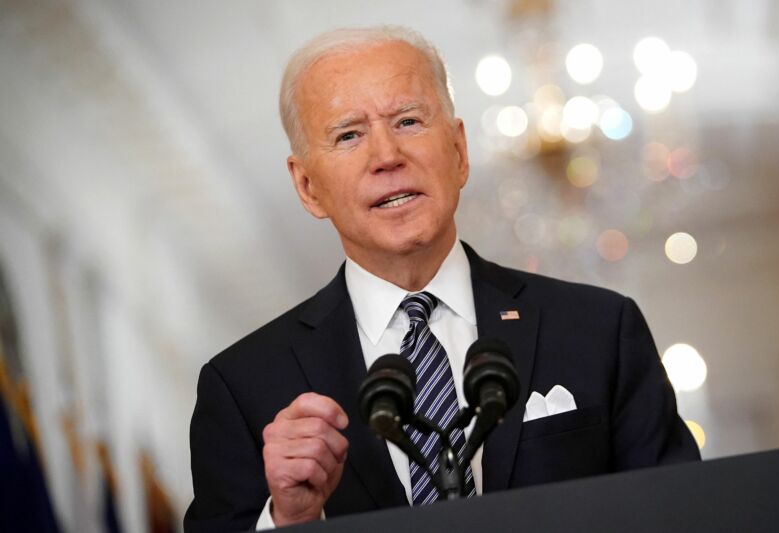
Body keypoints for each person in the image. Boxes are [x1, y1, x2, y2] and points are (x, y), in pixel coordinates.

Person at [184, 26, 700, 532]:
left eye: (408, 121)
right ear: (308, 186)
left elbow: (685, 514)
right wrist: (291, 520)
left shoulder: (599, 329)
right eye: (349, 135)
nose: (387, 156)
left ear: (458, 151)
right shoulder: (242, 389)